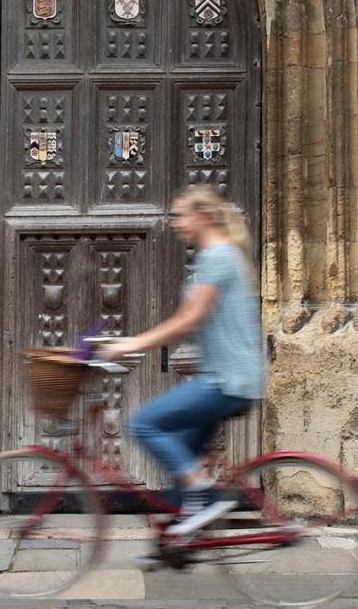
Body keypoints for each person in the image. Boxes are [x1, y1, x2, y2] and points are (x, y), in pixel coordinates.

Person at [99, 185, 266, 536]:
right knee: (181, 466)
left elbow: (190, 319)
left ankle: (204, 496)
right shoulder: (219, 255)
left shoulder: (218, 256)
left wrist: (133, 344)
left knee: (145, 424)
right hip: (226, 376)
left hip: (227, 380)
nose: (174, 222)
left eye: (180, 215)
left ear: (203, 216)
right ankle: (176, 546)